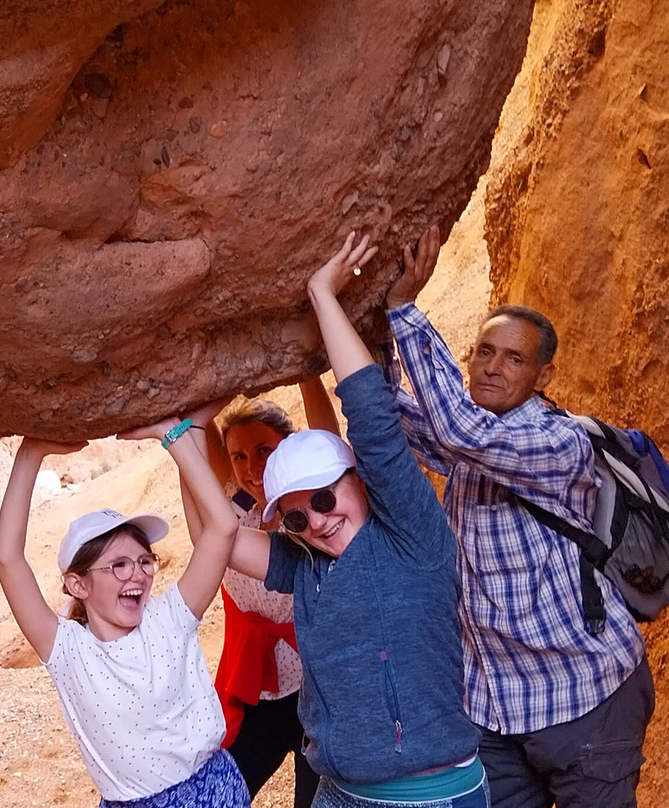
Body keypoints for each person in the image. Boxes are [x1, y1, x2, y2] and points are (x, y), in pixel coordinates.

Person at [182, 232, 487, 808]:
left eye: (325, 499)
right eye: (295, 518)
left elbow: (370, 415)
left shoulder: (413, 536)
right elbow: (218, 536)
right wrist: (179, 438)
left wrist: (323, 295)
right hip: (338, 792)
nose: (317, 522)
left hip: (430, 796)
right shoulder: (304, 567)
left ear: (357, 479)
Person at [382, 226, 653, 808]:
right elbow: (393, 414)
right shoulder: (476, 441)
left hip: (587, 697)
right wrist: (366, 334)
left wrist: (403, 310)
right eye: (483, 352)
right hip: (495, 709)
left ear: (543, 376)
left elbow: (459, 431)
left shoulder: (555, 444)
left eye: (514, 359)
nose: (492, 368)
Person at [0, 416, 250, 808]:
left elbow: (222, 527)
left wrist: (172, 435)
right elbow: (6, 557)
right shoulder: (68, 651)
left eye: (145, 561)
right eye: (119, 565)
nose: (139, 574)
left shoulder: (170, 618)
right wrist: (30, 454)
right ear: (79, 584)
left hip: (216, 787)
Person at [193, 385, 337, 807]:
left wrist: (306, 376)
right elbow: (202, 443)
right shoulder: (235, 509)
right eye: (239, 456)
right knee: (217, 798)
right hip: (259, 690)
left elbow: (328, 441)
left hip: (320, 691)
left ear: (288, 448)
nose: (252, 468)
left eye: (264, 451)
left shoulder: (314, 512)